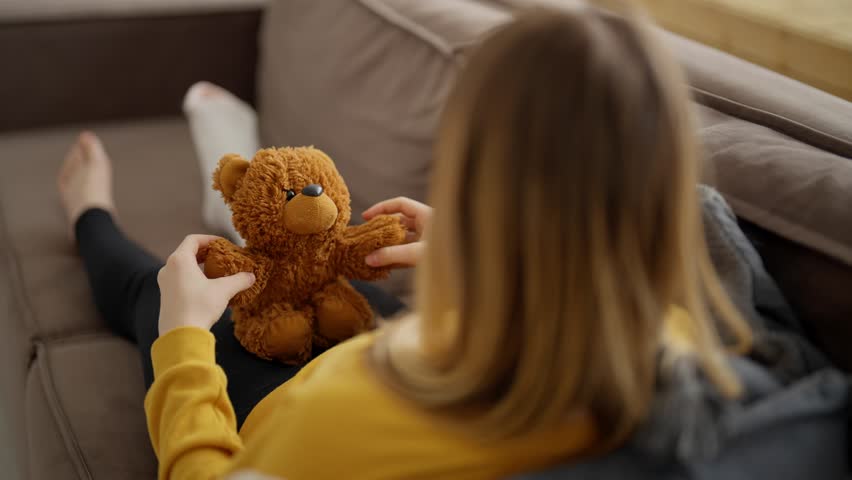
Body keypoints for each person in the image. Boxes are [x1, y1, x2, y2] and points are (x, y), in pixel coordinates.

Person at [56, 6, 754, 480]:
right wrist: (482, 265)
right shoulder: (686, 345)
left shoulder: (329, 426)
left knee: (151, 289)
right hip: (439, 352)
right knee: (314, 264)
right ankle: (245, 205)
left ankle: (90, 209)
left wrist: (183, 343)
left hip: (305, 387)